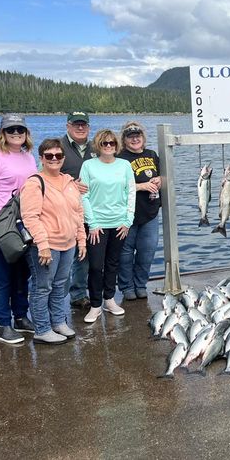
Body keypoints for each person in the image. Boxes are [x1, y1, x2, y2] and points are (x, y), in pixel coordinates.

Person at [0, 114, 37, 344]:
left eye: (20, 130)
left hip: (24, 223)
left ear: (26, 133)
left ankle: (21, 316)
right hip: (1, 225)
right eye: (11, 130)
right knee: (2, 276)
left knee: (23, 273)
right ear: (2, 133)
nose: (16, 134)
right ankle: (3, 323)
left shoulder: (29, 157)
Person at [20, 138, 87, 344]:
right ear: (41, 158)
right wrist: (43, 245)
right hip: (46, 247)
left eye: (58, 155)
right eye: (49, 156)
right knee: (42, 288)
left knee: (60, 285)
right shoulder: (34, 183)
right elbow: (30, 217)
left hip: (68, 244)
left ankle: (58, 322)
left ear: (63, 158)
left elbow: (77, 211)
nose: (54, 159)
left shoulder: (68, 181)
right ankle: (42, 328)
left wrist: (81, 239)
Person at [79, 129, 135, 323]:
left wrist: (128, 220)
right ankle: (95, 305)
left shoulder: (125, 165)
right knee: (95, 266)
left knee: (112, 264)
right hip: (97, 225)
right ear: (99, 145)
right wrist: (92, 223)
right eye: (105, 143)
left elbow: (131, 192)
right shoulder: (88, 166)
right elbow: (83, 195)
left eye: (112, 143)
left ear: (116, 145)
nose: (109, 146)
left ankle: (109, 299)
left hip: (119, 223)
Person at [117, 122, 161, 300]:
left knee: (147, 251)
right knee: (125, 254)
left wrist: (160, 180)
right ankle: (127, 287)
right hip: (126, 214)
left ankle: (141, 284)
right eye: (130, 136)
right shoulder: (119, 157)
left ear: (143, 138)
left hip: (150, 213)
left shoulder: (152, 155)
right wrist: (141, 186)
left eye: (138, 135)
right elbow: (116, 186)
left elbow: (163, 177)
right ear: (124, 140)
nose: (135, 139)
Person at [59, 111, 94, 310]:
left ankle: (79, 294)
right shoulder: (57, 148)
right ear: (68, 126)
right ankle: (56, 299)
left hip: (91, 212)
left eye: (84, 124)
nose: (80, 128)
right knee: (62, 257)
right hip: (64, 212)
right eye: (76, 124)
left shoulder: (96, 147)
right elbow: (43, 177)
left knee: (84, 255)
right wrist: (71, 184)